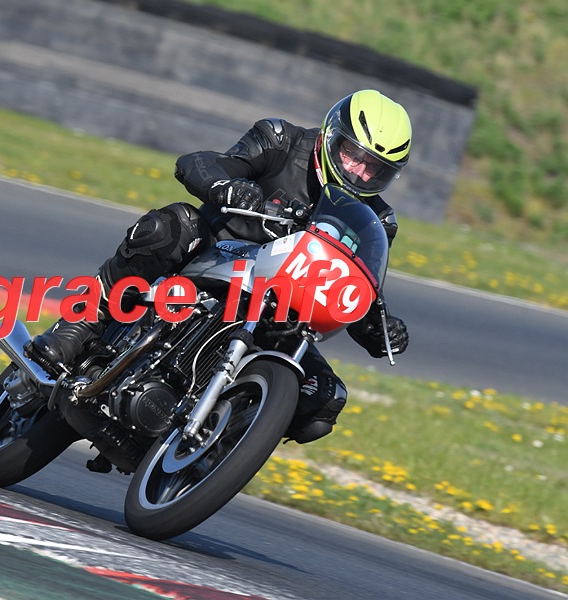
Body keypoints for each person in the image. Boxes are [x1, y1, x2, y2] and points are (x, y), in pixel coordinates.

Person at [29, 89, 411, 444]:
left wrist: (379, 328)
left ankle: (219, 446)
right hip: (214, 259)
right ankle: (85, 319)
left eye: (375, 168)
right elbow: (201, 163)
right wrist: (226, 186)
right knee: (171, 226)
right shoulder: (281, 140)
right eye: (353, 154)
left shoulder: (377, 220)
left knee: (324, 397)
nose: (359, 172)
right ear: (331, 136)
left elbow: (355, 286)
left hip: (282, 308)